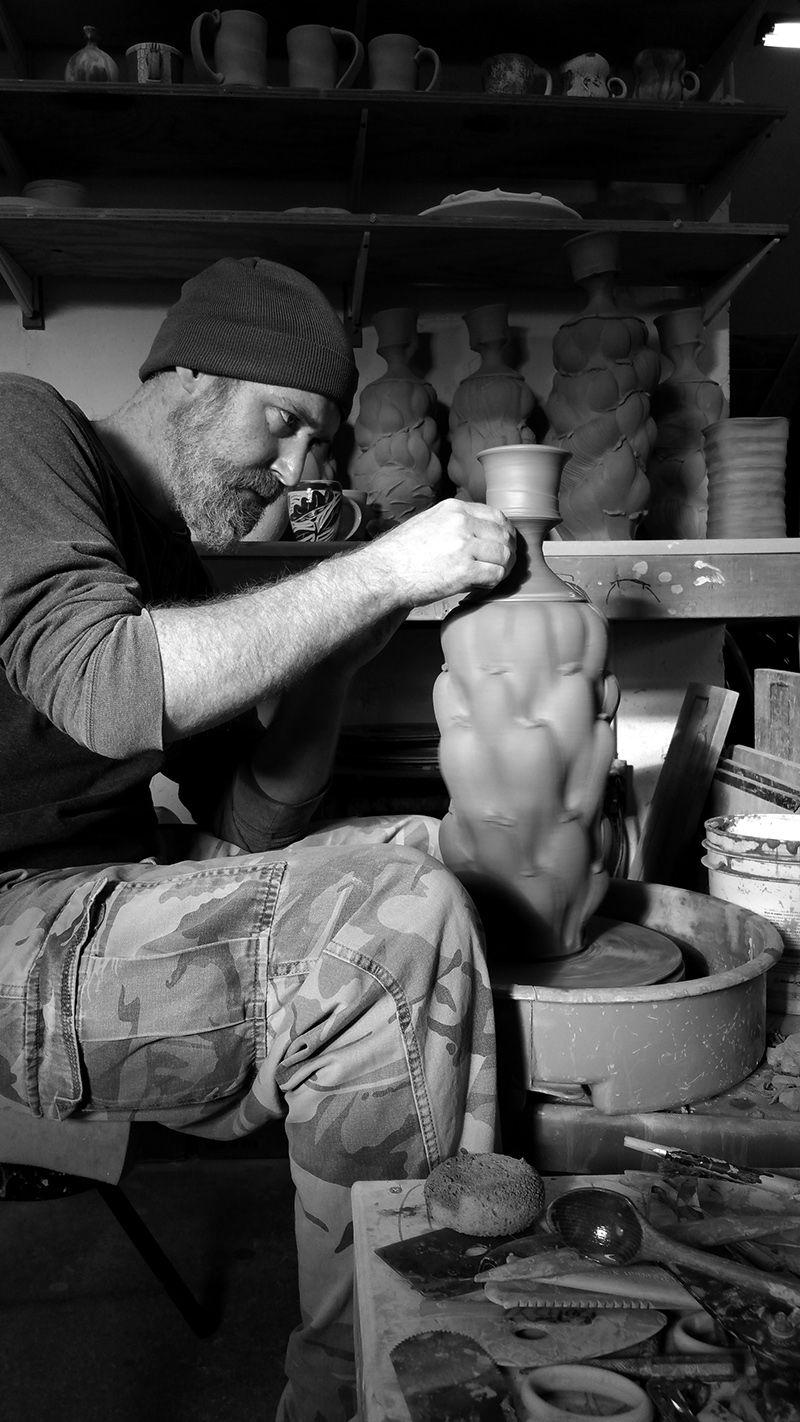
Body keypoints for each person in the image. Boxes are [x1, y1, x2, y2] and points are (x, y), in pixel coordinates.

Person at [0, 256, 515, 1421]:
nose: (293, 474)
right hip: (9, 912)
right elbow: (106, 682)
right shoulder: (19, 427)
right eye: (279, 425)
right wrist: (379, 566)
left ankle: (430, 1294)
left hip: (96, 892)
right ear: (184, 379)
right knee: (382, 937)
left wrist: (343, 649)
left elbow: (243, 823)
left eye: (315, 444)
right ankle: (358, 1391)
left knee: (444, 855)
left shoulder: (167, 556)